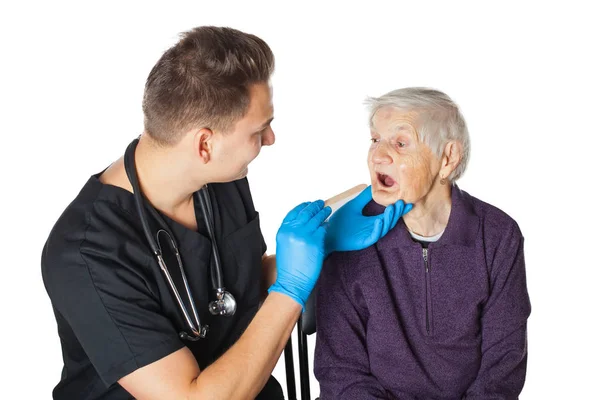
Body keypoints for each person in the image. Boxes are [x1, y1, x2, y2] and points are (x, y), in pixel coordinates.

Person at [41, 26, 410, 400]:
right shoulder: (86, 255)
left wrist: (317, 247)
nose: (270, 140)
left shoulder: (217, 177)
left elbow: (232, 289)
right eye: (259, 130)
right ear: (205, 143)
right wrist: (291, 289)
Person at [314, 87, 531, 399]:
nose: (378, 155)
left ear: (448, 158)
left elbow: (502, 368)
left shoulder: (497, 235)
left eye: (400, 143)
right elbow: (341, 372)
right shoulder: (351, 232)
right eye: (375, 140)